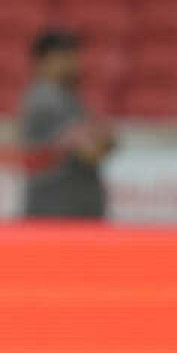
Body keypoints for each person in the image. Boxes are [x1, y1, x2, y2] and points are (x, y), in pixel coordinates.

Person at [19, 29, 110, 219]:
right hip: (56, 212)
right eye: (67, 56)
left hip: (68, 211)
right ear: (47, 60)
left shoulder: (67, 97)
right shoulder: (47, 101)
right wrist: (100, 137)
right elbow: (91, 151)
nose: (75, 63)